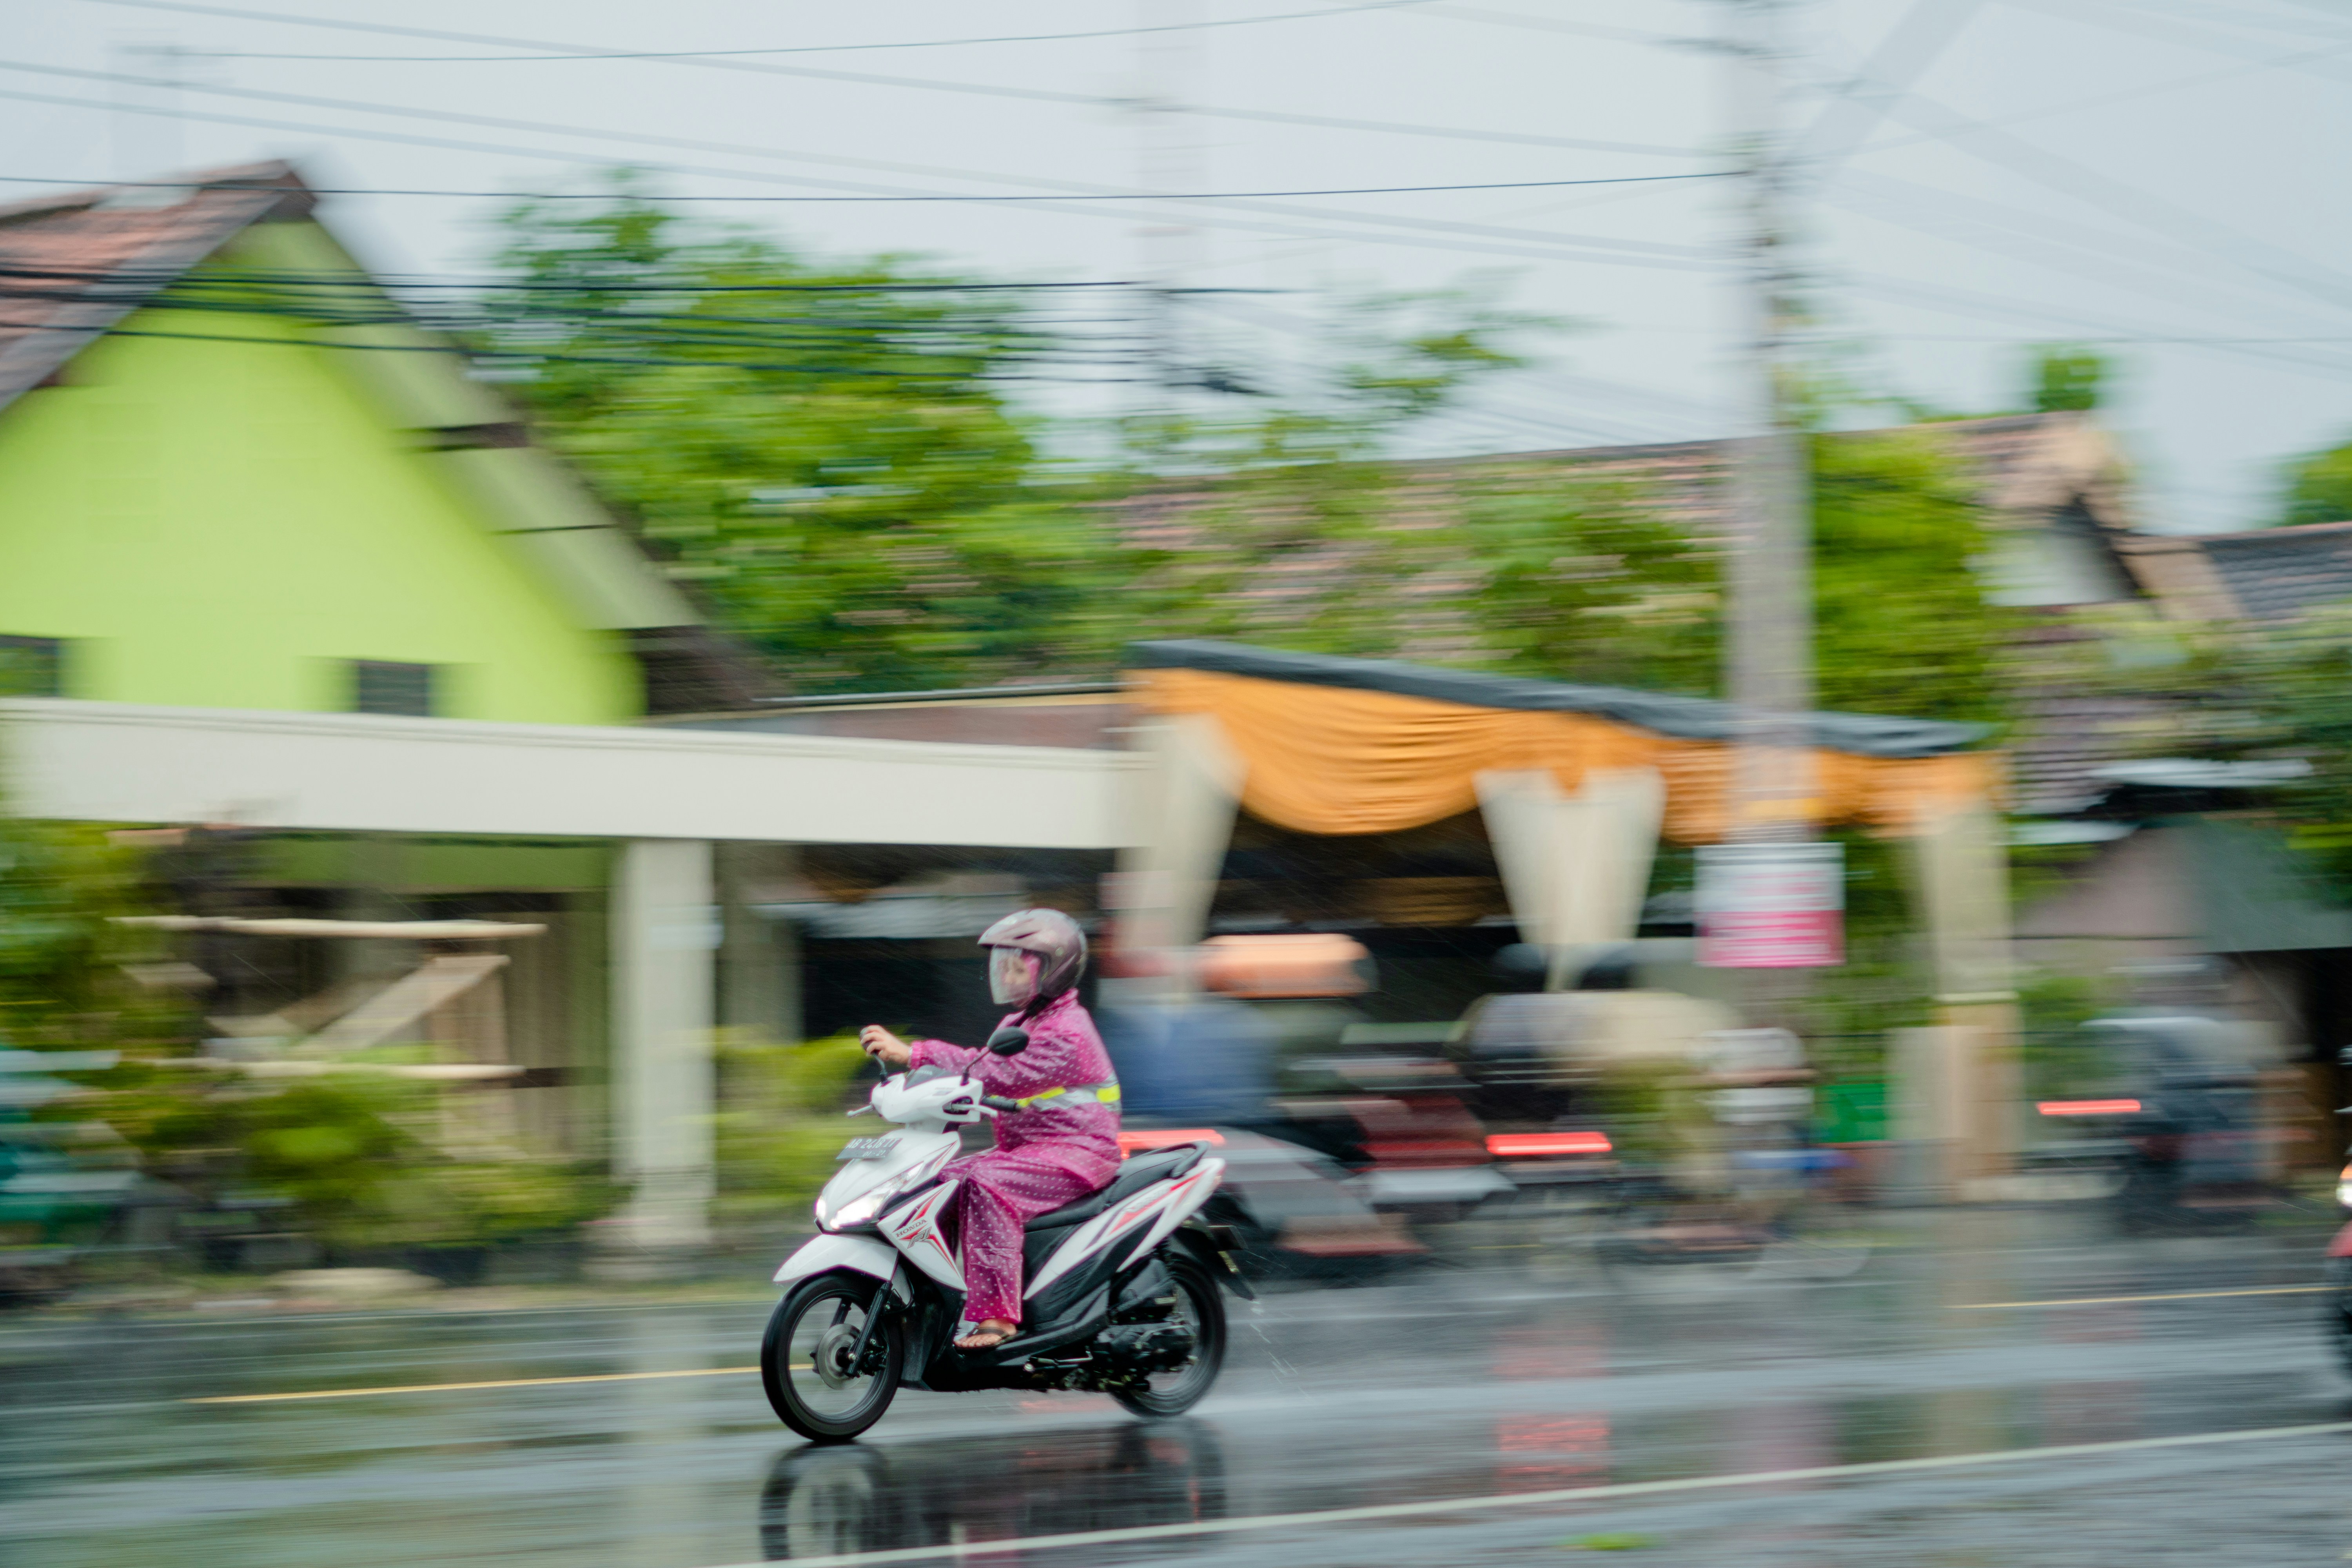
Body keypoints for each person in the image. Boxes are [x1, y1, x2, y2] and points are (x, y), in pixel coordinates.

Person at [858, 908, 1120, 1352]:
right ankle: (934, 1301)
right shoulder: (1019, 1024)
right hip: (1028, 1149)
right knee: (934, 1182)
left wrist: (915, 1053)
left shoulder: (1067, 1031)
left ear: (1054, 971)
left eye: (1019, 967)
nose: (1008, 976)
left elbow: (997, 1075)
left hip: (1077, 1151)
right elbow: (984, 1071)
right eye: (1004, 966)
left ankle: (998, 1316)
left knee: (985, 1184)